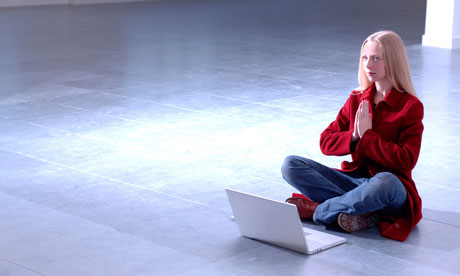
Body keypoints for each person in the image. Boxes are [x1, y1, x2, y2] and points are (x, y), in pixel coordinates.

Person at [281, 30, 424, 242]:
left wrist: (368, 138)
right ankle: (360, 209)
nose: (368, 64)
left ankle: (318, 211)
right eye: (365, 57)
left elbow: (406, 160)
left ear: (393, 61)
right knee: (291, 165)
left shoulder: (411, 106)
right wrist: (355, 137)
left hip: (390, 189)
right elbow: (326, 142)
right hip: (355, 182)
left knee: (385, 181)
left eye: (376, 58)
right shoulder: (358, 98)